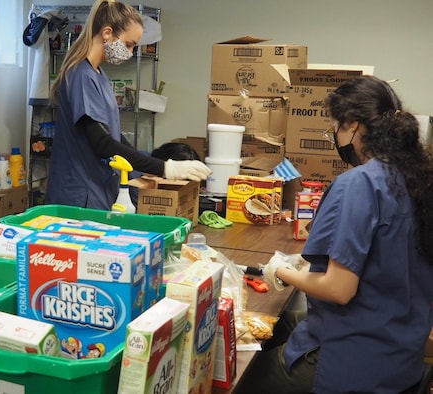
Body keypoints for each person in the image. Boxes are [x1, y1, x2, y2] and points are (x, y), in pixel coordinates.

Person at [237, 75, 433, 393]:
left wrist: (282, 270)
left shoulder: (360, 183)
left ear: (353, 125)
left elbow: (338, 289)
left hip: (353, 361)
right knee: (282, 324)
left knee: (244, 374)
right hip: (401, 350)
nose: (336, 135)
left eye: (337, 127)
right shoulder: (417, 179)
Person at [45, 0, 211, 210]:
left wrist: (146, 164)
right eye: (129, 44)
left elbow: (114, 136)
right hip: (79, 194)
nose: (131, 52)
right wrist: (166, 168)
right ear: (107, 33)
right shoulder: (80, 76)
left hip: (99, 188)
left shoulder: (99, 75)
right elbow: (102, 144)